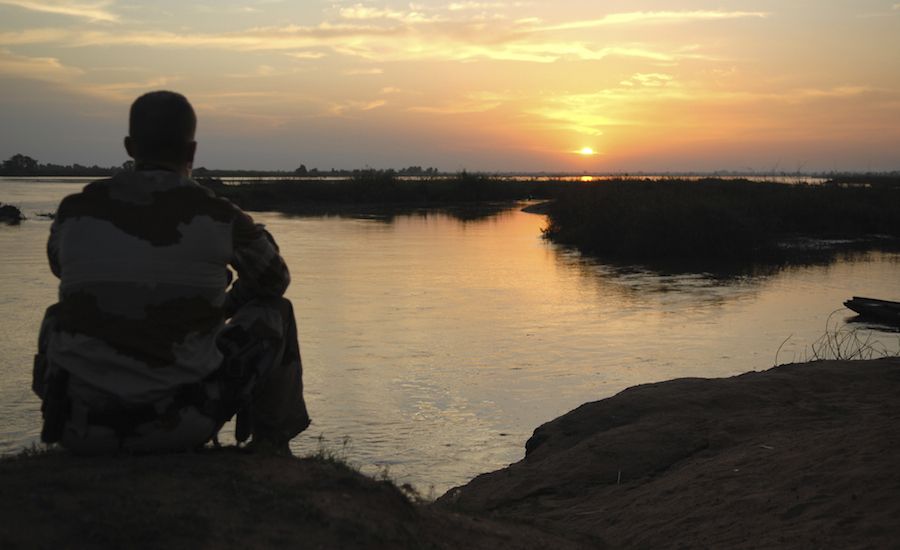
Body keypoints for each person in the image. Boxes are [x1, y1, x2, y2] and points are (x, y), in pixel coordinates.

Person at [32, 91, 310, 455]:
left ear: (130, 147)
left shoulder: (74, 210)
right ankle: (271, 446)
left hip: (80, 428)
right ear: (192, 153)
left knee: (56, 317)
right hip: (179, 425)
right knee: (275, 312)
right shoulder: (218, 215)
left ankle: (59, 414)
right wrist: (224, 305)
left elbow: (61, 268)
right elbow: (274, 282)